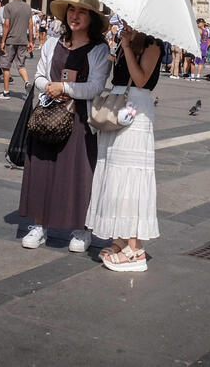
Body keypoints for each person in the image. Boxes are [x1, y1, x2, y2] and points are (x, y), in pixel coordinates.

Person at [19, 0, 111, 251]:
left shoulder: (99, 50)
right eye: (71, 10)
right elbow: (38, 76)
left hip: (80, 119)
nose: (75, 16)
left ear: (92, 18)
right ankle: (39, 225)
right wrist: (47, 86)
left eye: (82, 12)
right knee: (41, 169)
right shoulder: (51, 44)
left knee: (78, 174)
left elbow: (95, 87)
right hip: (49, 114)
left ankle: (81, 229)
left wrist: (65, 88)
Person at [86, 25, 162, 272]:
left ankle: (135, 248)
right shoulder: (125, 40)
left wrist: (127, 47)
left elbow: (140, 79)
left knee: (130, 175)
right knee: (113, 173)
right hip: (117, 107)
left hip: (136, 110)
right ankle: (120, 238)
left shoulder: (153, 43)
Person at [0, 0, 34, 99]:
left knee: (6, 66)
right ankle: (27, 82)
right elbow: (30, 24)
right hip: (23, 40)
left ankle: (6, 92)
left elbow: (6, 25)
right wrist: (30, 41)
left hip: (10, 40)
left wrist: (3, 41)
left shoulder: (8, 6)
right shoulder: (27, 7)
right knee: (21, 64)